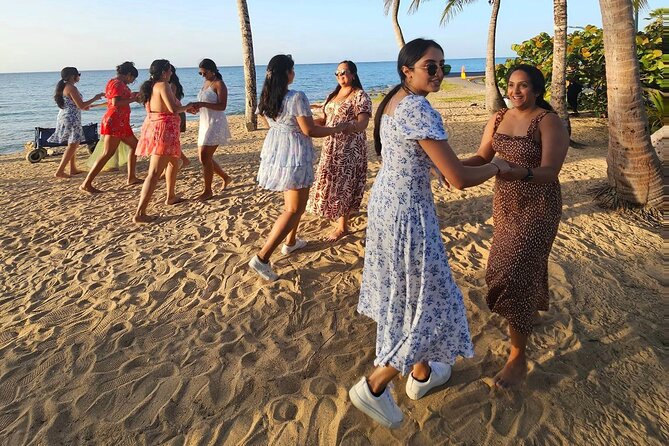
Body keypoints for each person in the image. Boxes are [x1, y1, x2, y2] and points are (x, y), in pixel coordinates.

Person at [348, 38, 510, 429]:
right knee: (434, 300)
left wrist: (457, 164)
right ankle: (374, 385)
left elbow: (416, 159)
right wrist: (497, 167)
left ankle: (420, 375)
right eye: (431, 67)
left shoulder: (392, 101)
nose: (440, 73)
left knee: (410, 293)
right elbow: (456, 178)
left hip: (387, 206)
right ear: (407, 70)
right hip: (409, 214)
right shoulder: (419, 109)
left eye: (444, 67)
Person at [463, 64, 569, 389]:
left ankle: (518, 356)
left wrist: (518, 171)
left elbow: (551, 171)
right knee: (504, 268)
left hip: (538, 207)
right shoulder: (498, 118)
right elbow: (483, 156)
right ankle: (525, 313)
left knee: (513, 272)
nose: (515, 91)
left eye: (523, 86)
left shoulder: (548, 121)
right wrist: (449, 165)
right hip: (506, 206)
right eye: (511, 85)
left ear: (536, 90)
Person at [248, 54, 349, 281]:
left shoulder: (266, 98)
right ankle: (262, 257)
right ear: (286, 73)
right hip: (295, 154)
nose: (294, 73)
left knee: (295, 205)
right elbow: (309, 131)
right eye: (292, 70)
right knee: (293, 208)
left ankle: (291, 242)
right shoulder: (296, 96)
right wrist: (336, 128)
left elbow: (273, 125)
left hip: (278, 152)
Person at [307, 60, 372, 242]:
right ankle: (338, 214)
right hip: (331, 146)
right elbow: (324, 119)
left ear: (353, 74)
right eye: (337, 73)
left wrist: (344, 127)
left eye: (343, 72)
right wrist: (308, 123)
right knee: (331, 181)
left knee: (345, 184)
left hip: (350, 148)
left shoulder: (360, 96)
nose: (340, 76)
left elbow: (363, 123)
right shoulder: (333, 94)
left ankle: (342, 227)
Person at [132, 59, 192, 223]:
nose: (172, 73)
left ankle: (170, 196)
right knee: (154, 173)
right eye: (170, 71)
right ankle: (140, 212)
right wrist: (190, 105)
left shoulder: (150, 86)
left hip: (162, 129)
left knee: (173, 163)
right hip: (164, 132)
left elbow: (164, 107)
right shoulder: (163, 85)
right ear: (165, 72)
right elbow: (173, 109)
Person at [80, 62, 141, 193]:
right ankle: (86, 183)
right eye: (133, 79)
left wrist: (132, 95)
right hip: (115, 121)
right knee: (108, 153)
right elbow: (116, 102)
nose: (132, 81)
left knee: (136, 146)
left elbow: (119, 98)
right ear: (128, 74)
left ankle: (132, 177)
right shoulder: (117, 84)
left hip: (121, 122)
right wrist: (133, 100)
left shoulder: (115, 82)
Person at [48, 67, 104, 178]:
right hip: (71, 117)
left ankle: (73, 169)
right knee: (74, 144)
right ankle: (60, 171)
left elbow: (77, 105)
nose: (79, 77)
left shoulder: (64, 87)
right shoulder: (71, 88)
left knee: (72, 142)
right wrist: (95, 98)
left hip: (66, 115)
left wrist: (85, 106)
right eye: (78, 74)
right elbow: (81, 105)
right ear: (72, 76)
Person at [191, 58, 232, 200]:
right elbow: (205, 104)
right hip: (204, 122)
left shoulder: (219, 84)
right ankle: (226, 177)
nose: (202, 76)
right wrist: (196, 108)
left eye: (204, 73)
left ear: (212, 71)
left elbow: (222, 106)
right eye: (200, 73)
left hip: (215, 123)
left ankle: (208, 190)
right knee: (204, 158)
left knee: (204, 156)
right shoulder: (206, 83)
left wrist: (202, 103)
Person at [169, 65, 191, 168]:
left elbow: (171, 102)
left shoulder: (171, 85)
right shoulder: (170, 84)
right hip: (178, 112)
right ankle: (184, 160)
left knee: (172, 142)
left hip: (176, 113)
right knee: (172, 142)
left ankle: (183, 161)